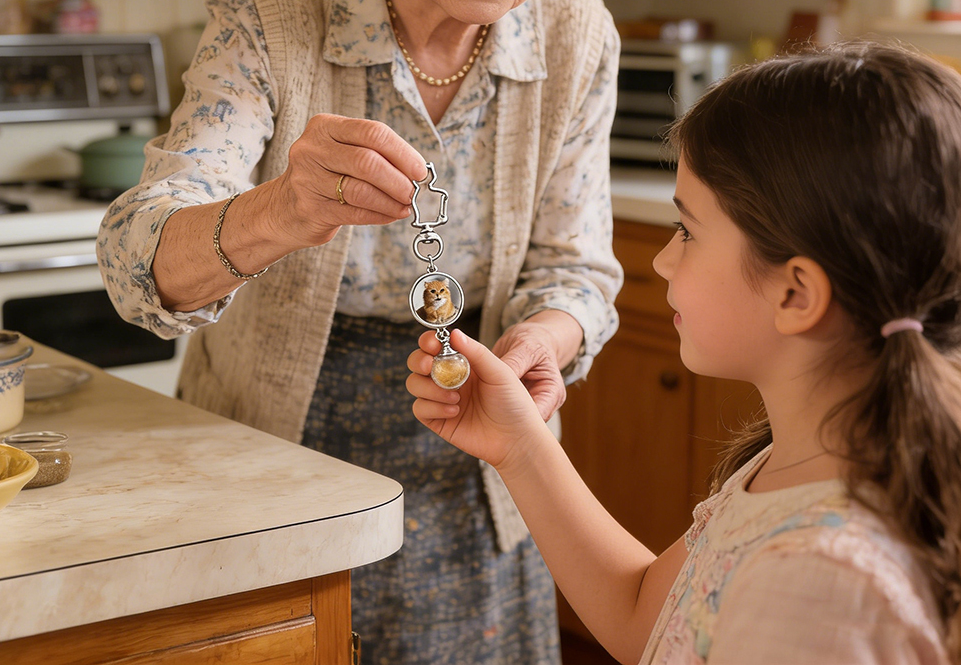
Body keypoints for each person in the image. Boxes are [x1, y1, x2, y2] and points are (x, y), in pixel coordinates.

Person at [97, 0, 631, 665]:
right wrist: (284, 207)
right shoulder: (270, 4)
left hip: (477, 445)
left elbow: (577, 267)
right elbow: (139, 266)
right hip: (272, 452)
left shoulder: (574, 28)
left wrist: (543, 340)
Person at [408, 41, 961, 664]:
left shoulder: (816, 586)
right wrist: (519, 445)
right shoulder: (803, 460)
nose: (662, 258)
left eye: (688, 231)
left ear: (797, 292)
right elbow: (647, 615)